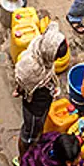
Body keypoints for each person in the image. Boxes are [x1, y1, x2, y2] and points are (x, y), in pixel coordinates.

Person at [14, 21, 67, 157]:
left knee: (36, 129)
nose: (55, 61)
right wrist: (20, 89)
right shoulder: (32, 68)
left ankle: (32, 143)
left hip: (43, 103)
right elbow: (22, 79)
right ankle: (22, 158)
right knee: (28, 134)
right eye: (56, 57)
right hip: (34, 108)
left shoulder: (41, 47)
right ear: (50, 54)